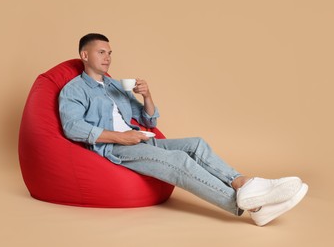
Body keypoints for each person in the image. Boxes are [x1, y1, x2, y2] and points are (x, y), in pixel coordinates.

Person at [58, 33, 308, 226]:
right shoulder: (74, 90)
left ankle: (245, 184)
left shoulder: (114, 85)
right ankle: (251, 205)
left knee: (196, 144)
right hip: (114, 148)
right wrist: (121, 138)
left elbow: (149, 120)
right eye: (101, 52)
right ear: (85, 55)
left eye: (110, 52)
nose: (107, 57)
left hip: (141, 140)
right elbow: (72, 127)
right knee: (178, 160)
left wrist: (147, 95)